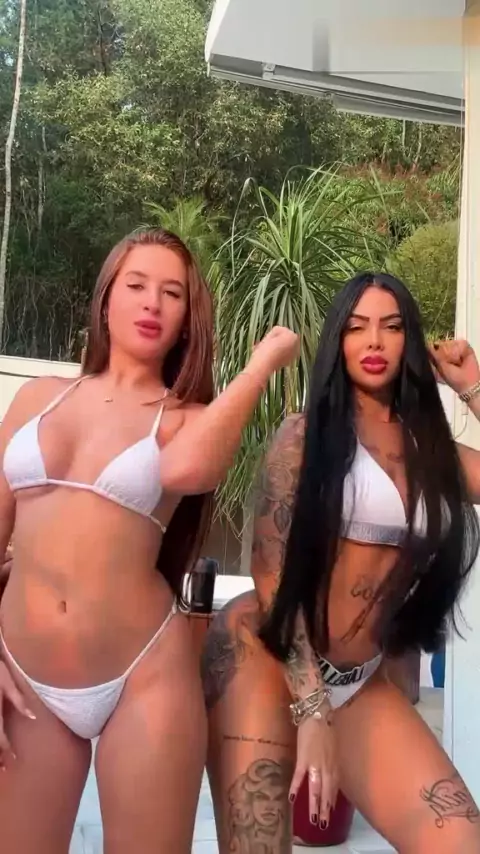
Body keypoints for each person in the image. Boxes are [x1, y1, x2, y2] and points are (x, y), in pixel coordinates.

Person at [0, 226, 299, 854]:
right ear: (106, 296)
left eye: (173, 293)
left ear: (188, 319)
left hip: (142, 676)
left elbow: (191, 470)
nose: (152, 303)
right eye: (136, 285)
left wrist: (260, 366)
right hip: (24, 678)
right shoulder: (35, 399)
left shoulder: (183, 420)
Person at [202, 272, 480, 854]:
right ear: (338, 341)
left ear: (410, 341)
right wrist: (311, 710)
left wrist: (471, 385)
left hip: (356, 680)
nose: (374, 341)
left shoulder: (434, 454)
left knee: (461, 840)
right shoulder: (304, 436)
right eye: (357, 328)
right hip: (266, 655)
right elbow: (271, 573)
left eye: (391, 327)